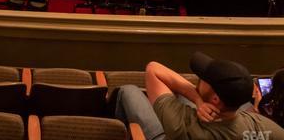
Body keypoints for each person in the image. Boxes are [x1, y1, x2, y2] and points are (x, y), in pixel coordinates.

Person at [115, 52, 284, 140]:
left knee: (127, 90)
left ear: (216, 99)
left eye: (204, 79)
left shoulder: (180, 125)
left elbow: (153, 69)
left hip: (168, 136)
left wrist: (197, 100)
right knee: (182, 97)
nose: (199, 78)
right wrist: (255, 110)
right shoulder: (260, 129)